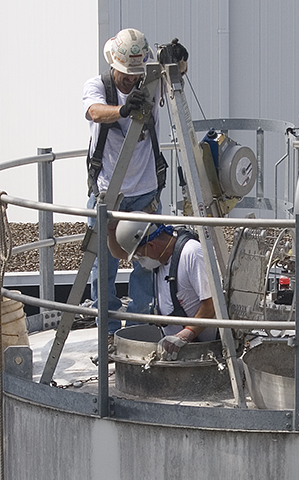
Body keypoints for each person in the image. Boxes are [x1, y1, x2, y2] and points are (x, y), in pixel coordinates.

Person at [82, 28, 160, 340]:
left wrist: (178, 62)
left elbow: (175, 77)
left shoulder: (152, 84)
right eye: (126, 74)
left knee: (147, 264)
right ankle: (109, 335)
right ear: (113, 64)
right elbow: (94, 111)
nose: (130, 80)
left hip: (145, 192)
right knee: (104, 267)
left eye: (135, 74)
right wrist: (124, 110)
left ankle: (138, 329)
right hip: (108, 192)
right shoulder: (97, 86)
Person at [112, 218, 216, 360]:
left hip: (202, 351)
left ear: (152, 246)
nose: (141, 262)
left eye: (140, 256)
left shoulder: (192, 253)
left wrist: (186, 334)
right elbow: (117, 253)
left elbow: (212, 305)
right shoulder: (161, 259)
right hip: (174, 348)